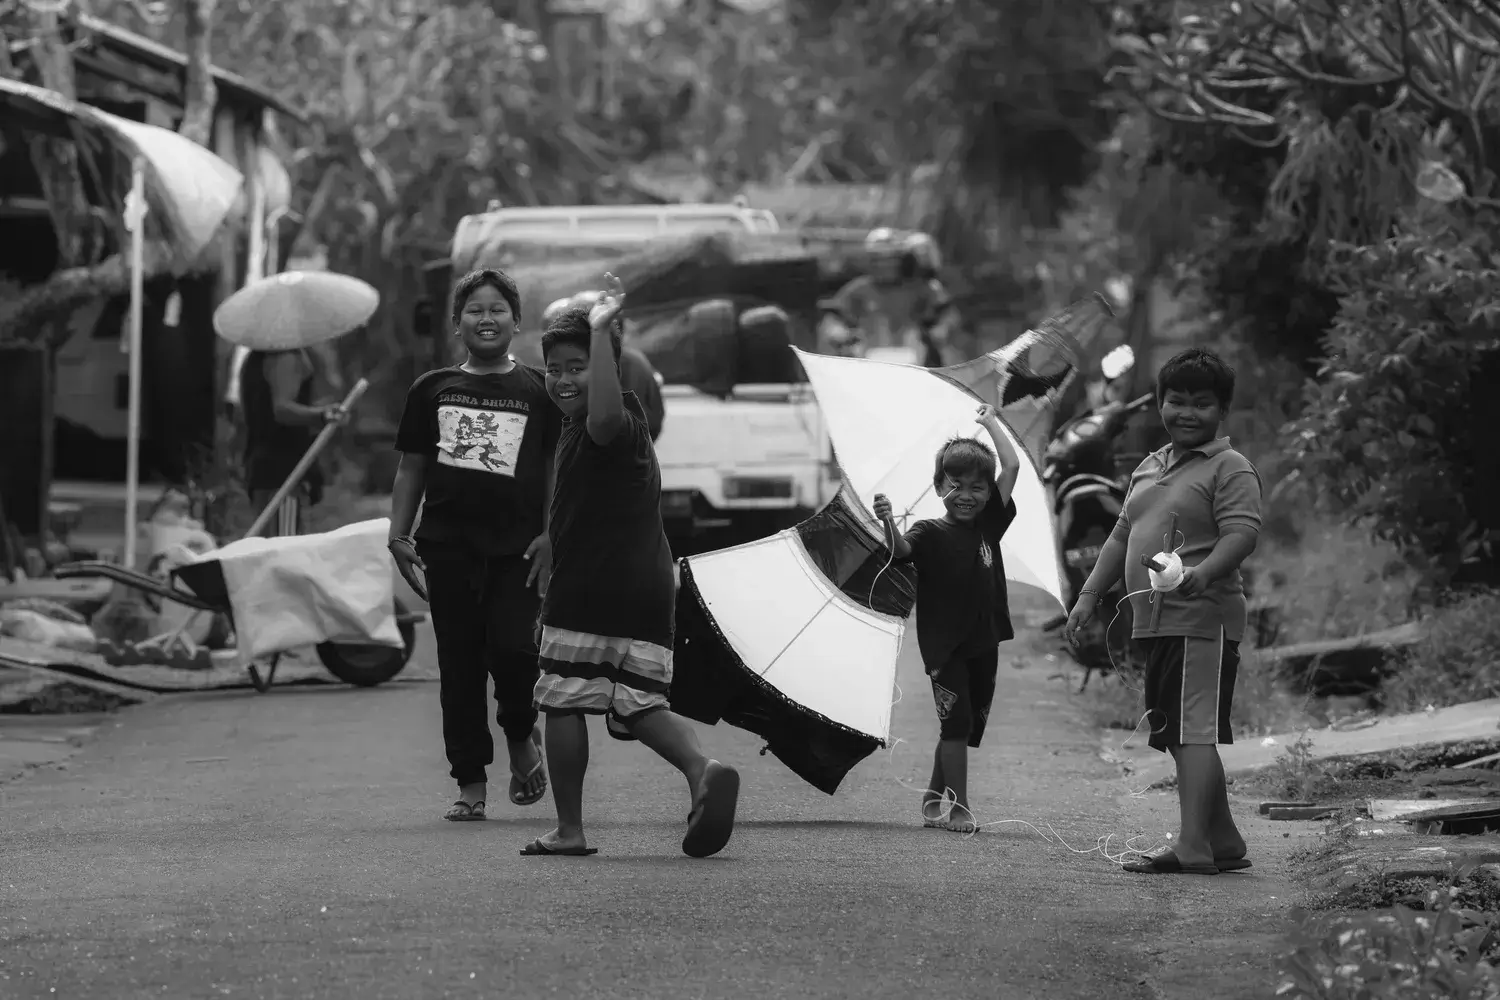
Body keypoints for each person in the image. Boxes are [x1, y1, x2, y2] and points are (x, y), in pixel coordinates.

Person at [526, 279, 740, 858]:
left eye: (579, 367)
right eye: (555, 369)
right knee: (640, 702)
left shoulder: (610, 418)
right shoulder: (612, 427)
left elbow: (599, 415)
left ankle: (569, 830)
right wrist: (551, 537)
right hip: (648, 588)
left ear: (607, 371)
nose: (564, 379)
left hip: (592, 588)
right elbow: (589, 501)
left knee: (563, 700)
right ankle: (702, 770)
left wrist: (600, 331)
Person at [1063, 347, 1262, 876]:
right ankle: (1222, 839)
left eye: (1202, 404)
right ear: (1159, 404)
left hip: (1203, 619)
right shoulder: (1151, 466)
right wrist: (1087, 596)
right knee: (1178, 731)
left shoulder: (1230, 467)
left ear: (1222, 411)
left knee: (1190, 733)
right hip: (1154, 622)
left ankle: (1194, 847)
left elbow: (1242, 532)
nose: (1187, 413)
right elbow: (1121, 534)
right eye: (1176, 401)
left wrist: (1206, 571)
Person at [388, 268, 556, 823]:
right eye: (475, 310)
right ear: (457, 322)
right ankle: (470, 781)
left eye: (497, 309)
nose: (486, 319)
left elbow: (556, 470)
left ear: (516, 320)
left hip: (518, 551)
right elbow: (412, 467)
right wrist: (398, 533)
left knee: (514, 651)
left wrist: (552, 532)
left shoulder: (539, 390)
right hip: (448, 548)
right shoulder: (432, 388)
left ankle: (518, 730)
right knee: (459, 668)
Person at [872, 404, 1021, 833]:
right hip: (944, 646)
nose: (968, 495)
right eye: (956, 485)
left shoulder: (989, 525)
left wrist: (990, 422)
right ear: (938, 486)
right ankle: (960, 807)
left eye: (978, 486)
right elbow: (900, 553)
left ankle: (932, 798)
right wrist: (887, 521)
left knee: (966, 724)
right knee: (955, 722)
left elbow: (1010, 464)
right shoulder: (927, 532)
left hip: (984, 639)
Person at [239, 344, 347, 535]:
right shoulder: (284, 356)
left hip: (261, 469)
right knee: (284, 551)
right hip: (282, 473)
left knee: (271, 550)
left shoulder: (254, 357)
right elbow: (281, 409)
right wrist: (321, 415)